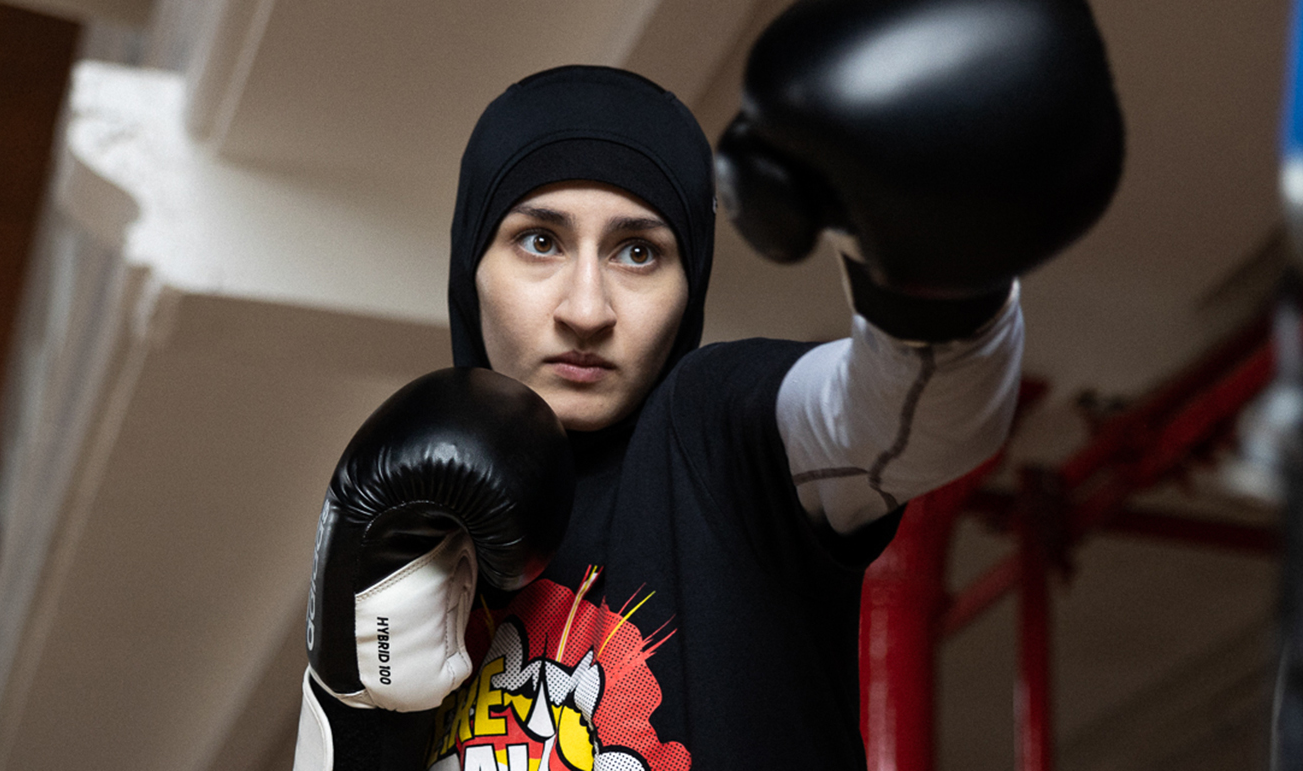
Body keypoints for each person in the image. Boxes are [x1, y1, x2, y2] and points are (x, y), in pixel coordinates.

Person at [298, 2, 1123, 767]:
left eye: (638, 251)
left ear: (691, 281)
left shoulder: (714, 431)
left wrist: (940, 268)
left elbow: (904, 413)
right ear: (469, 265)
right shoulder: (409, 523)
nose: (587, 308)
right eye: (540, 240)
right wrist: (349, 698)